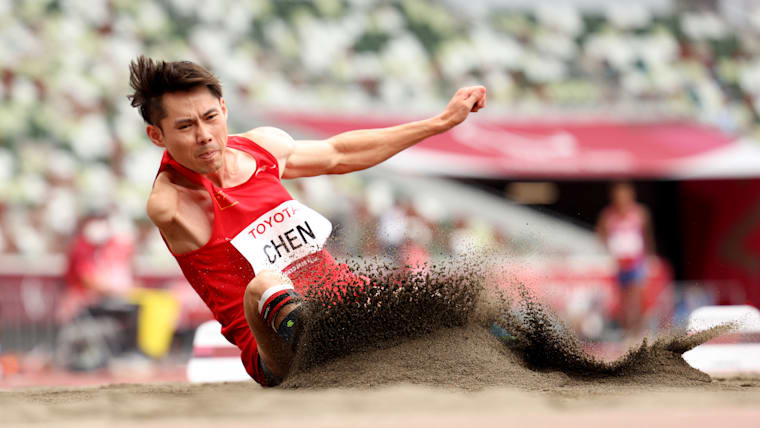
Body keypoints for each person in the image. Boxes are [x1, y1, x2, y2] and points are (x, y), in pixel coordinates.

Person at [127, 56, 486, 386]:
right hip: (279, 351)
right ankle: (330, 351)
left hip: (346, 307)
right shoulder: (171, 202)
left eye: (210, 117)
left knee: (451, 310)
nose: (204, 135)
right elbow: (162, 208)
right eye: (185, 126)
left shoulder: (263, 147)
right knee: (264, 283)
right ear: (157, 135)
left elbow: (339, 153)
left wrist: (441, 122)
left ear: (223, 108)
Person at [596, 181, 655, 338]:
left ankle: (637, 331)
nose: (622, 199)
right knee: (623, 299)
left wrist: (649, 258)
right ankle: (627, 331)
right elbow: (600, 234)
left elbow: (647, 237)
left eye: (625, 195)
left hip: (636, 261)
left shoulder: (641, 213)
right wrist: (610, 250)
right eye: (619, 196)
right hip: (619, 263)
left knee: (636, 297)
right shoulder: (608, 215)